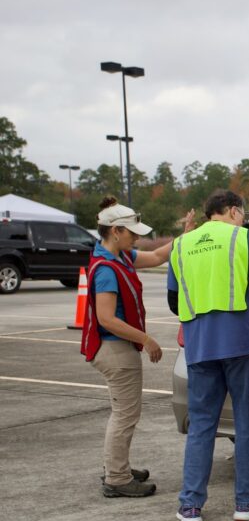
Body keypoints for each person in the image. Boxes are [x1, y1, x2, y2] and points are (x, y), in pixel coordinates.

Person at [168, 189, 249, 521]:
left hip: (199, 346)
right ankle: (246, 502)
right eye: (242, 213)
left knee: (201, 425)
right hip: (241, 343)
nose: (243, 219)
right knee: (246, 423)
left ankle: (190, 507)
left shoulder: (181, 245)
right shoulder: (246, 238)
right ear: (233, 211)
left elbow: (173, 300)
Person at [81, 196, 195, 497]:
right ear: (115, 231)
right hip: (115, 351)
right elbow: (106, 318)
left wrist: (185, 235)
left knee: (122, 412)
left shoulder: (119, 256)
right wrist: (146, 339)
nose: (136, 238)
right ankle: (117, 479)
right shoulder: (107, 269)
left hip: (115, 349)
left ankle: (116, 466)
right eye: (132, 233)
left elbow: (157, 256)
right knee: (125, 415)